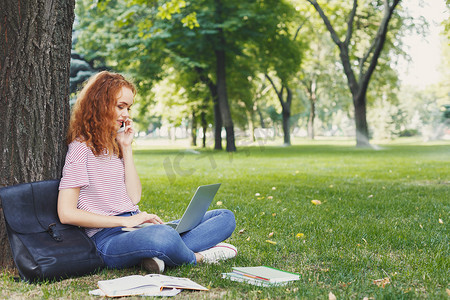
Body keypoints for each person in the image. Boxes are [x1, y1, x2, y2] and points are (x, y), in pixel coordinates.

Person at [57, 71, 237, 273]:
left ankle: (158, 254)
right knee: (162, 236)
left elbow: (133, 197)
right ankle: (197, 257)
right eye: (120, 106)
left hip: (137, 227)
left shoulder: (115, 146)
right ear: (99, 104)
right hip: (106, 238)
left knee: (225, 216)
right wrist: (126, 220)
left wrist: (126, 148)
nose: (126, 114)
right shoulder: (80, 148)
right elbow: (66, 213)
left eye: (128, 107)